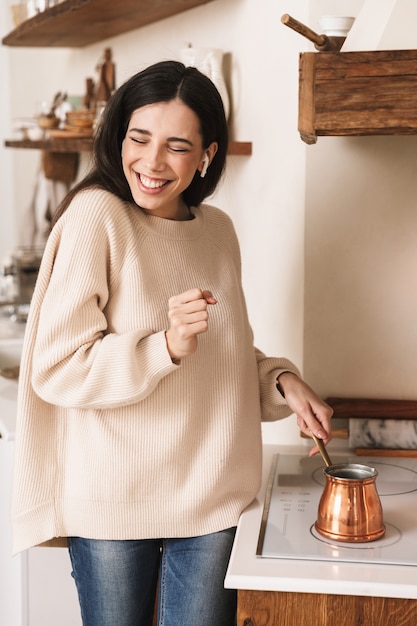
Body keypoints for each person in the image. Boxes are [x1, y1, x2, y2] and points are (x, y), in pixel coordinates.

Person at [11, 60, 333, 626]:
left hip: (213, 498)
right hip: (114, 502)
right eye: (139, 138)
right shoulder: (97, 218)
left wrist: (282, 381)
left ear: (207, 154)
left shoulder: (218, 231)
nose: (151, 163)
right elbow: (57, 368)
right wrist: (164, 347)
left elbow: (227, 357)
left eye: (177, 146)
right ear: (118, 137)